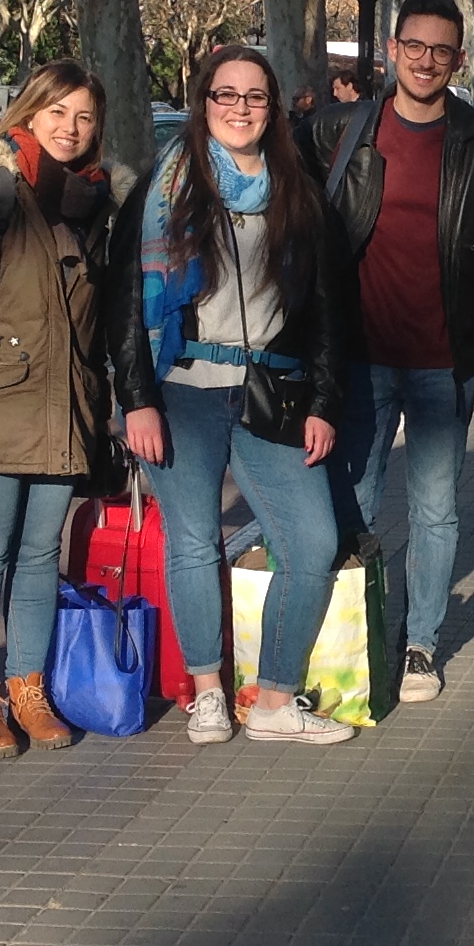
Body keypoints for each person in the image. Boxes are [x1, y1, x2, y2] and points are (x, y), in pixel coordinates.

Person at [115, 46, 354, 745]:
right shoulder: (165, 186)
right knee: (193, 543)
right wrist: (136, 397)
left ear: (273, 108)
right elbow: (123, 299)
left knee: (313, 542)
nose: (240, 108)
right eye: (227, 94)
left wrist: (324, 402)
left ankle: (275, 701)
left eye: (255, 96)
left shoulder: (299, 189)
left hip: (270, 394)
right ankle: (207, 692)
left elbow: (329, 305)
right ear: (204, 102)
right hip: (179, 392)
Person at [309, 0, 474, 704]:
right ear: (391, 50)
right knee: (353, 502)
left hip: (447, 364)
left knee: (436, 511)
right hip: (360, 360)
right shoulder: (341, 132)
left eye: (441, 51)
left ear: (458, 59)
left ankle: (420, 645)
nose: (426, 61)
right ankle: (349, 642)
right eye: (414, 46)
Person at [0, 59, 115, 760]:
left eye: (84, 116)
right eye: (57, 112)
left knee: (38, 557)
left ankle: (27, 690)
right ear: (29, 113)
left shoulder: (93, 200)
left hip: (64, 408)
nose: (70, 127)